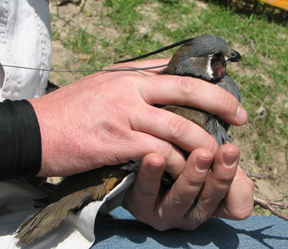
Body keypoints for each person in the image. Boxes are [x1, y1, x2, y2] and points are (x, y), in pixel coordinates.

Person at [1, 1, 287, 249]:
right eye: (217, 58)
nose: (229, 58)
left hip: (30, 191)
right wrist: (32, 131)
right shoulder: (192, 109)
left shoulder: (185, 96)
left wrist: (66, 100)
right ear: (197, 64)